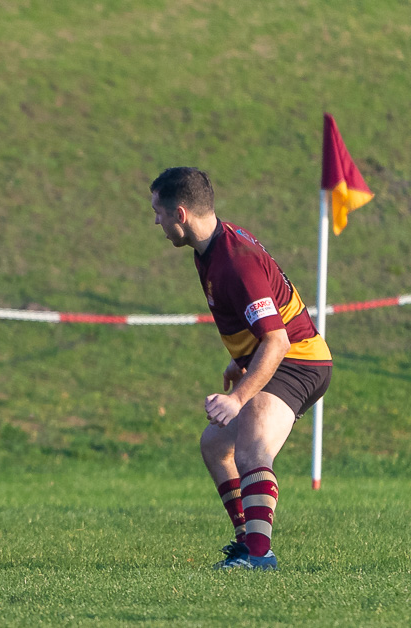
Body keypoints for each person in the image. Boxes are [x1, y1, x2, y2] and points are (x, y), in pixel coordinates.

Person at [149, 167, 332, 571]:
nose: (156, 222)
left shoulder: (235, 263)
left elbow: (279, 339)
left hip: (299, 360)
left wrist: (238, 397)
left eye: (159, 213)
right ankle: (246, 543)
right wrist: (240, 362)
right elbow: (264, 324)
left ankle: (259, 556)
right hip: (276, 354)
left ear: (180, 214)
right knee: (216, 445)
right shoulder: (211, 249)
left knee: (252, 450)